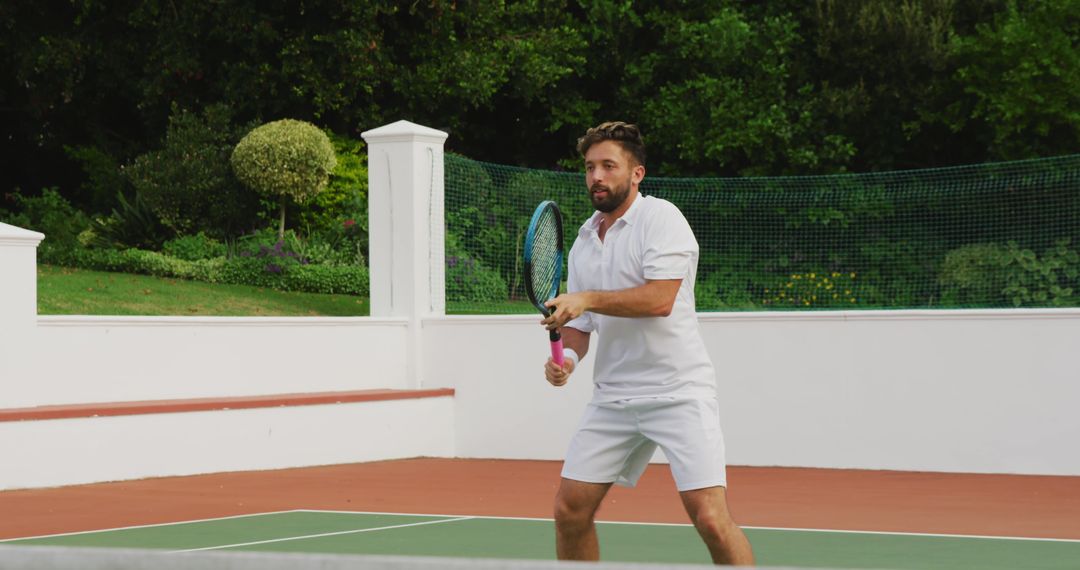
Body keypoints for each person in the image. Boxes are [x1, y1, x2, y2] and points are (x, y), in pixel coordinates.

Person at [541, 121, 755, 565]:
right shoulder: (583, 241)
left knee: (711, 519)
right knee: (569, 510)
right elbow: (581, 328)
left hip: (679, 392)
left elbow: (660, 299)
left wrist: (585, 300)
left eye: (608, 166)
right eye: (589, 167)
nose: (596, 177)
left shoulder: (662, 219)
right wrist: (570, 361)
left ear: (636, 173)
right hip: (613, 398)